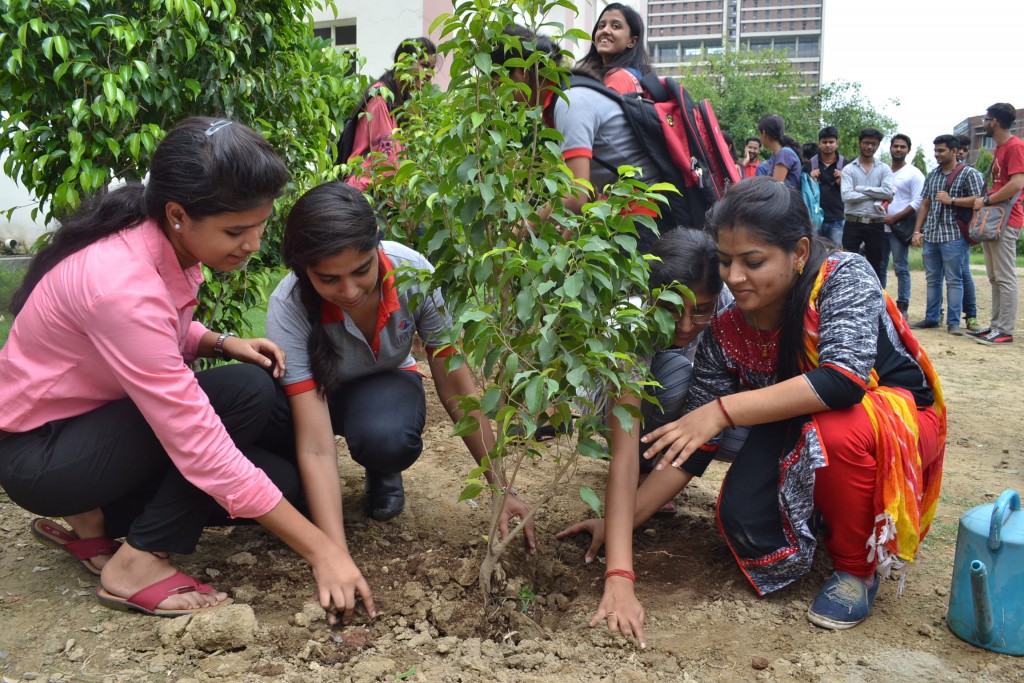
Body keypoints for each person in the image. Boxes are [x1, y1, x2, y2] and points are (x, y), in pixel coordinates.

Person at [0, 118, 374, 622]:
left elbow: (146, 339)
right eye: (236, 231)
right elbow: (198, 442)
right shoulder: (120, 284)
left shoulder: (157, 240)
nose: (252, 244)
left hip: (87, 431)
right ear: (178, 214)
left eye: (260, 226)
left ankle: (97, 520)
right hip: (45, 456)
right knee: (244, 394)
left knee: (279, 480)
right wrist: (324, 551)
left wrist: (218, 341)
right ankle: (136, 562)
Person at [622, 178, 944, 639]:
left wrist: (722, 409)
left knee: (836, 436)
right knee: (742, 514)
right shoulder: (727, 330)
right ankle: (828, 520)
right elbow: (694, 445)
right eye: (726, 261)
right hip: (809, 420)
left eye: (753, 262)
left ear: (798, 252)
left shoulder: (842, 275)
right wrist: (625, 520)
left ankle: (856, 572)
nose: (734, 277)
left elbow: (843, 381)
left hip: (898, 420)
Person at [264, 181, 536, 561]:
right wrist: (334, 553)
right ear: (305, 268)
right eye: (328, 279)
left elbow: (457, 384)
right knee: (290, 480)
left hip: (383, 385)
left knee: (386, 438)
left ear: (378, 244)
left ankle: (381, 467)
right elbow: (316, 442)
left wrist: (501, 488)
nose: (349, 290)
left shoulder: (414, 274)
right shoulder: (288, 304)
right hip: (316, 397)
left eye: (361, 270)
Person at [555, 229, 746, 648]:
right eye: (672, 311)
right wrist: (619, 574)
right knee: (676, 377)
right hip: (615, 409)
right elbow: (622, 455)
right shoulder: (630, 319)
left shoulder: (730, 307)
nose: (685, 326)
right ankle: (651, 471)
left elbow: (710, 428)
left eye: (701, 312)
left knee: (741, 425)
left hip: (700, 407)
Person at [490, 26, 664, 251]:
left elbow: (576, 195)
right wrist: (565, 247)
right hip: (630, 210)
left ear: (523, 73)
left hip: (644, 213)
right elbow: (589, 187)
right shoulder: (569, 91)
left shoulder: (570, 102)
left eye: (501, 83)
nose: (505, 96)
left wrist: (519, 230)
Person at [342, 37, 437, 192]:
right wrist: (401, 202)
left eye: (431, 68)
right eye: (424, 66)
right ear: (404, 61)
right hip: (366, 193)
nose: (429, 74)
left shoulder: (399, 102)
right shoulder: (381, 99)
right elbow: (386, 159)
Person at [910, 135, 983, 336]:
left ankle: (953, 322)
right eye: (935, 151)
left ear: (954, 150)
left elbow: (979, 200)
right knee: (932, 279)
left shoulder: (969, 173)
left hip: (954, 234)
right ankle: (932, 317)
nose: (937, 154)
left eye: (941, 150)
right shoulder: (932, 174)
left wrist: (952, 201)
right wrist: (917, 230)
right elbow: (925, 203)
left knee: (954, 279)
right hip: (932, 234)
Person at [970, 103, 1024, 346]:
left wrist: (987, 200)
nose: (984, 123)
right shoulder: (1001, 148)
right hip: (995, 217)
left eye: (987, 119)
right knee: (994, 276)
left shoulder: (1015, 146)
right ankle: (995, 327)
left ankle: (1005, 330)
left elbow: (1016, 184)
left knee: (1004, 276)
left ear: (995, 122)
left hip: (1006, 219)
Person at [841, 128, 894, 280]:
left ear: (878, 146)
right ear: (860, 143)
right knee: (848, 264)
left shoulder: (884, 169)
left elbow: (888, 193)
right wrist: (876, 193)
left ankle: (875, 299)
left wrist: (861, 189)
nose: (869, 147)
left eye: (873, 144)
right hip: (853, 222)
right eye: (866, 143)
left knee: (876, 265)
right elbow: (847, 196)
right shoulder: (849, 169)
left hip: (876, 223)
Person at [881, 133, 924, 318]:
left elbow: (918, 201)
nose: (898, 149)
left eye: (902, 147)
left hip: (899, 228)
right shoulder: (883, 170)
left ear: (908, 150)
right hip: (880, 227)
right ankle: (878, 303)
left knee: (901, 267)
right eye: (895, 146)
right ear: (890, 148)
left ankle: (902, 306)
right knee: (879, 266)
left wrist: (895, 218)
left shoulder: (913, 173)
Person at [575, 3, 654, 95]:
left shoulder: (619, 78)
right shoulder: (635, 76)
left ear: (632, 41)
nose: (605, 30)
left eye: (616, 26)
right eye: (601, 26)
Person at [808, 126, 846, 246]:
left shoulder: (846, 165)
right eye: (824, 142)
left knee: (837, 253)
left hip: (837, 218)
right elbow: (803, 190)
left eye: (831, 142)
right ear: (819, 144)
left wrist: (843, 180)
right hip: (815, 219)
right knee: (815, 252)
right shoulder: (810, 164)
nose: (828, 145)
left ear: (837, 143)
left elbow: (854, 190)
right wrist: (810, 178)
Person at [757, 115, 802, 191]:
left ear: (764, 133)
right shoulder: (779, 154)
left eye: (759, 133)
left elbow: (776, 189)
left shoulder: (784, 154)